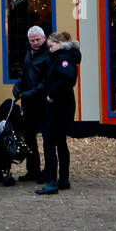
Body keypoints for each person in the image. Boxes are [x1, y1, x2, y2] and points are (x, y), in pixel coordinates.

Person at [35, 31, 81, 195]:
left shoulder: (63, 59)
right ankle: (63, 179)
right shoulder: (65, 57)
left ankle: (52, 181)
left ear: (60, 44)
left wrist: (51, 95)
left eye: (51, 46)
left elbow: (67, 80)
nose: (50, 49)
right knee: (61, 142)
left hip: (58, 107)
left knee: (49, 142)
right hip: (64, 107)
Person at [12, 26, 50, 182]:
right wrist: (18, 85)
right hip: (28, 102)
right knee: (29, 137)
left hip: (44, 102)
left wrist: (32, 92)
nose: (35, 43)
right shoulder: (28, 53)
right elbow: (24, 73)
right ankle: (33, 170)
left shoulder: (49, 54)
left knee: (48, 139)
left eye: (38, 40)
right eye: (32, 40)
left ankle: (48, 172)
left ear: (44, 38)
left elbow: (47, 80)